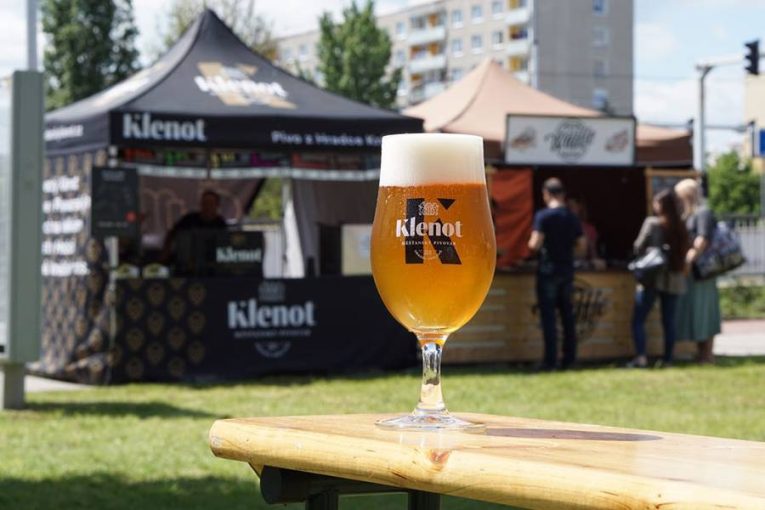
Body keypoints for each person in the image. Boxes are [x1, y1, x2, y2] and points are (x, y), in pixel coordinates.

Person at [528, 178, 586, 371]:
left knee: (549, 318)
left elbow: (535, 243)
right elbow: (582, 245)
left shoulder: (543, 216)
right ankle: (569, 359)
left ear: (546, 194)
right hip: (567, 270)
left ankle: (550, 361)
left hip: (548, 270)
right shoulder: (572, 217)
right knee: (568, 316)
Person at [628, 190, 689, 368]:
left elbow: (638, 246)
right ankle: (668, 359)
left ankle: (641, 357)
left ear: (661, 205)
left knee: (638, 319)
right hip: (674, 278)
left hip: (652, 277)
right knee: (668, 321)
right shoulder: (681, 225)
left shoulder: (652, 223)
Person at [674, 179, 721, 364]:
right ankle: (701, 353)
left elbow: (702, 240)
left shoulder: (703, 213)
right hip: (693, 272)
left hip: (703, 272)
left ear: (687, 195)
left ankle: (707, 355)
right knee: (696, 311)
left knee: (705, 311)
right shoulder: (689, 215)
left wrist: (688, 260)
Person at [160, 189, 227, 264]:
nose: (207, 206)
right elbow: (171, 233)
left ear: (217, 205)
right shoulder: (189, 219)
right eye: (204, 203)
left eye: (210, 204)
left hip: (212, 262)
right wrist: (165, 252)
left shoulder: (220, 223)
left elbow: (224, 245)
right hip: (188, 262)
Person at [567, 195, 606, 270]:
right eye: (568, 207)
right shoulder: (561, 226)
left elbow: (593, 252)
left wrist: (596, 262)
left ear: (579, 207)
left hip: (583, 266)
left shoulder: (589, 228)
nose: (570, 209)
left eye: (572, 206)